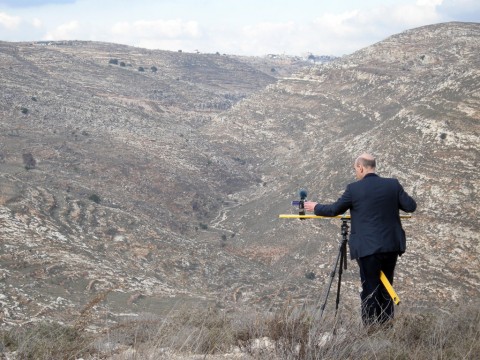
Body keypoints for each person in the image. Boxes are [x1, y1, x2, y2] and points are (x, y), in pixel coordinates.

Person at [304, 153, 416, 325]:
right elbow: (410, 206)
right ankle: (386, 328)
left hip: (367, 248)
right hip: (391, 246)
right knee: (386, 288)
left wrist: (315, 207)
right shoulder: (392, 185)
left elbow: (334, 210)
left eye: (356, 169)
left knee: (370, 288)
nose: (356, 173)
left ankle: (370, 331)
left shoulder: (354, 189)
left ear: (361, 167)